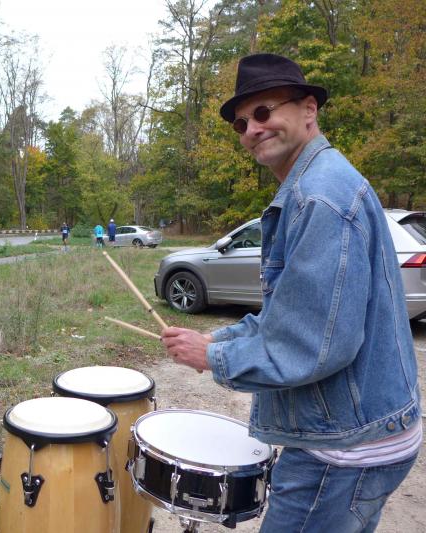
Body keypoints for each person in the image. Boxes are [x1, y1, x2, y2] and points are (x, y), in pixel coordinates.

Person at [161, 53, 421, 532]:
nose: (252, 129)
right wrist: (216, 339)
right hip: (358, 433)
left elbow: (313, 344)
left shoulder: (319, 198)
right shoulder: (318, 185)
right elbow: (290, 314)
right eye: (242, 123)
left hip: (343, 449)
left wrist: (213, 359)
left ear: (309, 110)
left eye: (263, 112)